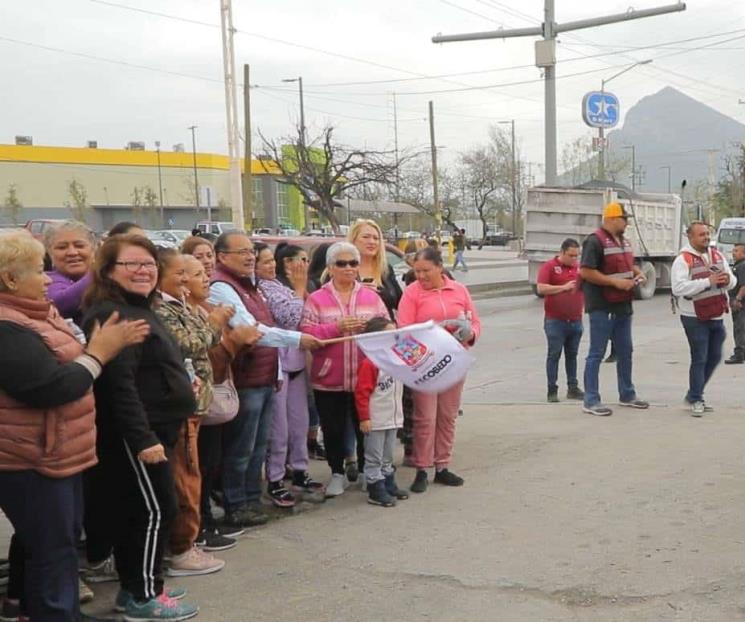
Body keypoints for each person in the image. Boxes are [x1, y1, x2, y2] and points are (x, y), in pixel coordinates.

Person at [0, 230, 149, 622]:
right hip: (33, 459)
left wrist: (92, 351)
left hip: (57, 454)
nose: (48, 279)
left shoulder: (34, 313)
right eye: (39, 270)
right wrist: (100, 353)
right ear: (11, 280)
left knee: (53, 547)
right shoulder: (8, 327)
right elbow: (52, 387)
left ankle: (45, 611)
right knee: (52, 551)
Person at [82, 234, 199, 620]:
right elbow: (119, 386)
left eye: (148, 263)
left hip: (159, 428)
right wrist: (142, 439)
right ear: (109, 271)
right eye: (131, 264)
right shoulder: (113, 315)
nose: (143, 271)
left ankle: (139, 584)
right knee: (154, 510)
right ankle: (144, 595)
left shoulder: (141, 308)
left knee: (143, 511)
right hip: (137, 435)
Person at [208, 232, 320, 529]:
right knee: (241, 447)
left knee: (258, 446)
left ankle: (250, 500)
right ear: (222, 257)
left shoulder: (252, 286)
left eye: (251, 252)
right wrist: (298, 339)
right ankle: (236, 504)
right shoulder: (222, 287)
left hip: (265, 375)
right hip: (246, 380)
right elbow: (252, 329)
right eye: (241, 252)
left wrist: (277, 373)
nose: (249, 257)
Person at [154, 250, 233, 575]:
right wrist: (214, 322)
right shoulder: (161, 309)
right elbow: (190, 344)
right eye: (181, 274)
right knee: (185, 478)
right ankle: (182, 548)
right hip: (179, 406)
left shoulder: (180, 304)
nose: (188, 281)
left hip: (195, 403)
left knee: (192, 474)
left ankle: (189, 539)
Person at [181, 255, 261, 549]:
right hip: (194, 402)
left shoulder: (207, 310)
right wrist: (232, 340)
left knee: (209, 462)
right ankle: (197, 527)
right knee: (196, 466)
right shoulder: (188, 316)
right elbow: (206, 357)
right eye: (197, 273)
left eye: (206, 271)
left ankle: (205, 520)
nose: (206, 279)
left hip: (210, 402)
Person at [300, 242, 389, 497]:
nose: (349, 268)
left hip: (365, 378)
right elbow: (306, 334)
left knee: (366, 426)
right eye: (342, 263)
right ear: (330, 267)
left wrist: (372, 328)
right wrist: (336, 328)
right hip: (329, 379)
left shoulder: (371, 296)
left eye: (353, 263)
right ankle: (337, 472)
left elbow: (387, 327)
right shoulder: (317, 299)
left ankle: (364, 470)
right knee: (333, 429)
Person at [397, 247, 481, 493]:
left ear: (439, 266)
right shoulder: (412, 294)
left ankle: (442, 465)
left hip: (454, 362)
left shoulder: (459, 290)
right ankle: (422, 467)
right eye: (417, 271)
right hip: (426, 365)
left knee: (447, 415)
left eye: (426, 271)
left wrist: (471, 333)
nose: (421, 276)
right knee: (425, 417)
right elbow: (404, 329)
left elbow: (474, 320)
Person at [255, 243, 324, 507]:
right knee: (279, 428)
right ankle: (275, 478)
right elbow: (291, 317)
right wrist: (298, 288)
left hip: (296, 364)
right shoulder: (262, 289)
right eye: (264, 262)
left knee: (299, 422)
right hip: (278, 367)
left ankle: (299, 470)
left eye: (272, 261)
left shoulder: (282, 286)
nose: (270, 266)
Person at [579, 203, 649, 417]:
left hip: (623, 305)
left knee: (625, 351)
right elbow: (586, 271)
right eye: (623, 218)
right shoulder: (594, 241)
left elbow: (626, 264)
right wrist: (614, 283)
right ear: (611, 218)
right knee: (597, 352)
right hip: (602, 305)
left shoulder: (623, 241)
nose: (626, 223)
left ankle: (627, 394)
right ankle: (591, 400)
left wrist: (637, 272)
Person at [671, 222, 735, 416]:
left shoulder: (717, 255)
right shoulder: (683, 260)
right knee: (699, 357)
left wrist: (727, 280)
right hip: (693, 317)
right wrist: (708, 281)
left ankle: (693, 394)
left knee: (714, 356)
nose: (706, 237)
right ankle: (697, 398)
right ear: (690, 238)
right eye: (701, 235)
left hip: (715, 315)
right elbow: (678, 288)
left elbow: (732, 281)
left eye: (707, 234)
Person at [354, 317, 409, 507]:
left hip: (393, 417)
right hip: (376, 419)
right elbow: (362, 393)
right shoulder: (370, 364)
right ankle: (375, 488)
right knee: (374, 456)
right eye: (388, 333)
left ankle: (388, 483)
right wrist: (365, 418)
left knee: (387, 455)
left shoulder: (396, 359)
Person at [536, 238, 585, 403]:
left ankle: (573, 387)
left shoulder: (579, 269)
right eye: (571, 255)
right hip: (555, 321)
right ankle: (552, 389)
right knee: (554, 354)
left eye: (577, 256)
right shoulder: (549, 267)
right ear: (562, 252)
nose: (574, 259)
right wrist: (563, 288)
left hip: (575, 320)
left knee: (572, 355)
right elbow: (541, 288)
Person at [44, 220, 96, 326]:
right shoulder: (47, 280)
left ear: (93, 249)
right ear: (50, 252)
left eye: (79, 246)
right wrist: (100, 272)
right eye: (62, 247)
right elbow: (60, 302)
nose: (72, 252)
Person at [724, 243, 745, 364]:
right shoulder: (739, 265)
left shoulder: (742, 266)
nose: (733, 253)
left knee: (739, 329)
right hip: (738, 302)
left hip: (740, 304)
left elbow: (743, 285)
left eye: (736, 251)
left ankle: (739, 354)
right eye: (733, 250)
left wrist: (738, 299)